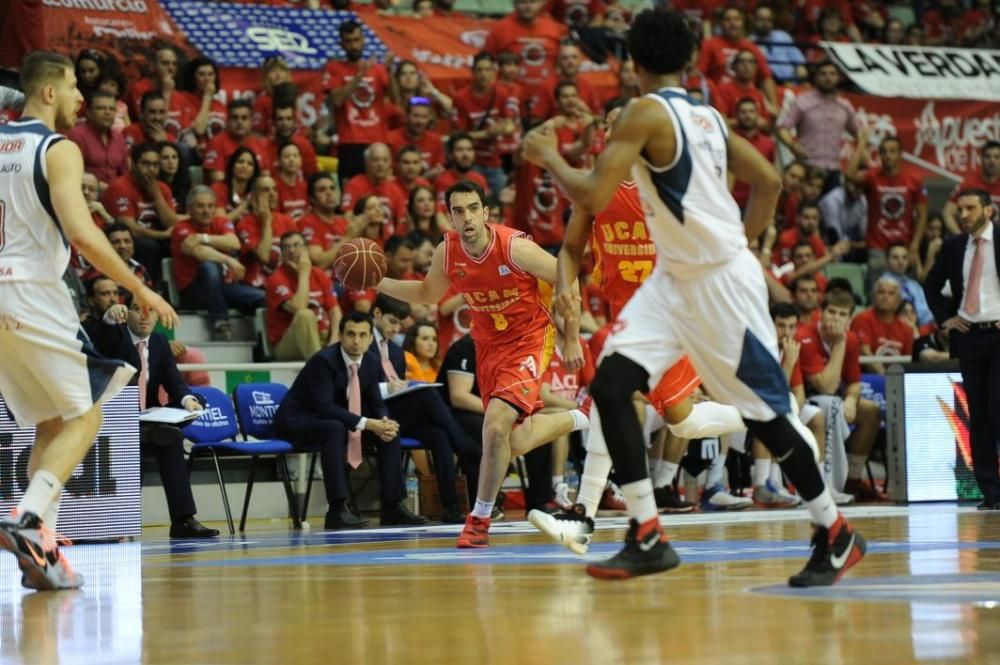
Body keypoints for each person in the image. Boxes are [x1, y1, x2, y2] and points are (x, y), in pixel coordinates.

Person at [521, 9, 864, 584]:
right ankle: (646, 531)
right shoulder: (706, 117)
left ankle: (836, 532)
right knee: (609, 385)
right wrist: (743, 240)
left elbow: (593, 189)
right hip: (676, 279)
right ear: (687, 60)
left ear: (632, 64)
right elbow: (771, 181)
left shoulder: (644, 113)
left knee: (767, 418)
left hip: (714, 282)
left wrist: (548, 157)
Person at [529, 100, 747, 548]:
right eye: (609, 124)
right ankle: (767, 415)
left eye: (621, 123)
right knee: (680, 421)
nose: (614, 131)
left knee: (613, 391)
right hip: (629, 318)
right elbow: (570, 250)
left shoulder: (667, 183)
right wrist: (567, 287)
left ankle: (582, 518)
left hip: (675, 315)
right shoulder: (595, 189)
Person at [0, 51, 177, 591]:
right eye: (75, 86)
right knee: (89, 413)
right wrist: (139, 284)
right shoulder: (59, 149)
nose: (82, 97)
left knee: (52, 421)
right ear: (49, 93)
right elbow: (80, 231)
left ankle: (43, 553)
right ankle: (29, 517)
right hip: (32, 290)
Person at [376, 180, 591, 548]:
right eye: (458, 211)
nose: (467, 217)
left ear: (486, 212)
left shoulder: (514, 247)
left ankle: (478, 520)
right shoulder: (449, 251)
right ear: (451, 217)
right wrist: (378, 282)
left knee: (494, 425)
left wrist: (571, 337)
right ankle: (582, 415)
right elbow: (428, 294)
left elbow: (566, 279)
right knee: (512, 439)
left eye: (473, 208)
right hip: (488, 346)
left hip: (529, 339)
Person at [272, 312, 429, 529]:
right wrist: (368, 423)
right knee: (335, 428)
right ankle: (337, 510)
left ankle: (393, 506)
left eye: (363, 335)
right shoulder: (323, 361)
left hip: (336, 421)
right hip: (298, 422)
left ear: (370, 339)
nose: (356, 341)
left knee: (389, 434)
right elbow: (324, 407)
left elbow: (376, 402)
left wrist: (384, 421)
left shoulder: (371, 361)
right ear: (341, 335)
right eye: (351, 334)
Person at [89, 293, 218, 539]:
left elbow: (174, 380)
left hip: (147, 418)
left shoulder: (158, 341)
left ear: (159, 315)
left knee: (171, 437)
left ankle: (183, 520)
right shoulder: (114, 337)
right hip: (113, 421)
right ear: (126, 314)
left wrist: (186, 399)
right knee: (130, 446)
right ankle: (120, 523)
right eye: (137, 309)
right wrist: (107, 319)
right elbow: (100, 340)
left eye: (151, 310)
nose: (145, 315)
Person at [370, 295, 479, 523]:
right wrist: (386, 388)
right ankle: (467, 449)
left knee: (439, 436)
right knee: (428, 394)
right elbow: (357, 387)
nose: (396, 328)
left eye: (400, 323)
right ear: (377, 314)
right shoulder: (363, 342)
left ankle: (450, 507)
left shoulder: (396, 352)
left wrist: (400, 388)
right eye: (392, 321)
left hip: (396, 413)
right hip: (372, 413)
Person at [924, 188, 1000, 510]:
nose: (964, 214)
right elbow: (930, 284)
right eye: (960, 209)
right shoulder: (954, 247)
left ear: (988, 211)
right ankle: (990, 492)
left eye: (970, 208)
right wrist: (946, 320)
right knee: (979, 416)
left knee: (998, 408)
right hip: (969, 336)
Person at [796, 292, 885, 502]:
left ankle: (852, 481)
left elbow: (853, 382)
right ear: (821, 313)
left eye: (842, 314)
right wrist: (839, 345)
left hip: (833, 400)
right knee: (831, 406)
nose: (835, 318)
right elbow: (825, 386)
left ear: (849, 320)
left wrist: (852, 400)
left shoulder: (852, 340)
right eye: (831, 312)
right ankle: (830, 483)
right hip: (806, 400)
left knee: (871, 411)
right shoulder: (805, 337)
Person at [171, 186, 264, 341]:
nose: (206, 210)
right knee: (210, 267)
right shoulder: (180, 229)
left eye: (210, 206)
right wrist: (228, 259)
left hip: (223, 288)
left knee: (263, 298)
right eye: (200, 206)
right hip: (194, 292)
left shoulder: (220, 222)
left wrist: (202, 238)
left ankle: (262, 342)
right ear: (189, 209)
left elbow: (234, 243)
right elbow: (200, 253)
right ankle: (221, 324)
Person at [845, 131, 928, 282]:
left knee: (907, 293)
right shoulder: (872, 176)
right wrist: (862, 144)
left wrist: (915, 246)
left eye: (892, 151)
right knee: (878, 293)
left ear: (900, 154)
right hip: (878, 248)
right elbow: (850, 174)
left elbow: (923, 215)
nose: (887, 155)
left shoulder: (914, 180)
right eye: (883, 151)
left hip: (904, 246)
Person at [324, 20, 391, 184]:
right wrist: (359, 76)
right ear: (341, 44)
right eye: (348, 41)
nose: (354, 46)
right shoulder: (334, 67)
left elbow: (397, 100)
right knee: (350, 194)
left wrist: (391, 72)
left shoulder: (378, 69)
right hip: (350, 142)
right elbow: (337, 100)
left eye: (357, 40)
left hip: (378, 141)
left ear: (363, 40)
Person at [101, 142, 180, 281]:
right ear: (133, 164)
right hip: (126, 238)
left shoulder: (161, 188)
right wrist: (162, 235)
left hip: (154, 236)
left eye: (155, 165)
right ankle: (149, 288)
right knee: (148, 246)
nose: (151, 169)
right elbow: (130, 229)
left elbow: (171, 223)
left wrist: (157, 197)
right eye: (146, 164)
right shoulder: (120, 187)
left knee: (181, 242)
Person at [777, 61, 859, 188]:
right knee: (804, 207)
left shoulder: (845, 106)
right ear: (815, 78)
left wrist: (859, 157)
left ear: (839, 78)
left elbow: (860, 134)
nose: (828, 77)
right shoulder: (802, 101)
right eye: (823, 74)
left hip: (834, 169)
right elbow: (782, 129)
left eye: (832, 74)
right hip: (807, 167)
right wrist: (792, 145)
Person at [265, 231, 342, 361]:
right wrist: (304, 274)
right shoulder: (276, 279)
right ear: (282, 253)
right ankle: (321, 365)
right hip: (290, 344)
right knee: (304, 315)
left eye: (296, 245)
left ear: (306, 248)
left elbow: (335, 311)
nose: (291, 250)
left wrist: (334, 340)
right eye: (286, 247)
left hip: (324, 337)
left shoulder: (319, 274)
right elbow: (299, 307)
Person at [67, 90, 128, 188]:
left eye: (112, 109)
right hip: (86, 194)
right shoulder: (77, 135)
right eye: (101, 108)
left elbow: (125, 174)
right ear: (89, 112)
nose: (107, 112)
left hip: (115, 196)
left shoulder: (119, 138)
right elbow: (73, 174)